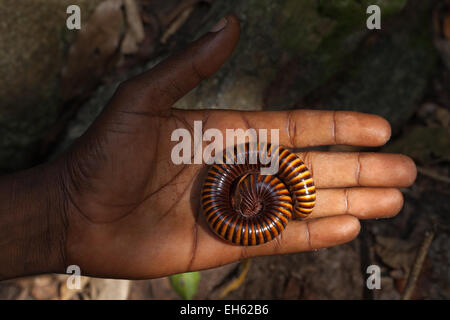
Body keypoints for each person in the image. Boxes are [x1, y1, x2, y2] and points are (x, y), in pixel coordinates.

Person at [0, 15, 416, 281]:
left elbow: (271, 188)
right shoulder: (252, 185)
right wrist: (60, 214)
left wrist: (59, 214)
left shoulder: (253, 184)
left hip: (248, 192)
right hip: (247, 192)